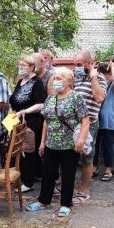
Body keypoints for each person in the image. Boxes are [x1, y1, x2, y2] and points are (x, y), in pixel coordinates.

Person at [26, 67, 89, 218]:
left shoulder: (75, 97)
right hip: (51, 144)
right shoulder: (50, 98)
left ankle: (66, 204)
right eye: (55, 78)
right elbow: (47, 122)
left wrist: (80, 141)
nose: (56, 81)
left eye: (60, 78)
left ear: (69, 81)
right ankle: (43, 201)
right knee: (47, 174)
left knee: (68, 175)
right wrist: (42, 142)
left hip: (69, 145)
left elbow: (85, 121)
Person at [72, 50, 106, 203]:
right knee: (70, 156)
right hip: (72, 124)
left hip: (89, 124)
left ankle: (85, 188)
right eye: (75, 65)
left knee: (87, 158)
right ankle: (67, 185)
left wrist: (93, 77)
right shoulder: (76, 77)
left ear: (88, 63)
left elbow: (99, 98)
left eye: (78, 65)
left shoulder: (99, 78)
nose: (76, 68)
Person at [10, 55, 47, 192]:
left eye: (24, 65)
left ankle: (28, 182)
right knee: (19, 150)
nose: (21, 68)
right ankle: (22, 177)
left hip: (30, 122)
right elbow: (14, 100)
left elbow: (41, 104)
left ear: (32, 67)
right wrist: (13, 111)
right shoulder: (20, 82)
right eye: (19, 65)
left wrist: (23, 111)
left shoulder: (36, 83)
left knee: (29, 151)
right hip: (17, 120)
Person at [97, 61, 114, 182]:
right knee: (95, 144)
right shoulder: (99, 84)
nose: (105, 77)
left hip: (108, 120)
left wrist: (112, 67)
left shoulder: (113, 85)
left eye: (106, 74)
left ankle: (108, 169)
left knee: (108, 145)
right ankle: (94, 167)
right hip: (96, 118)